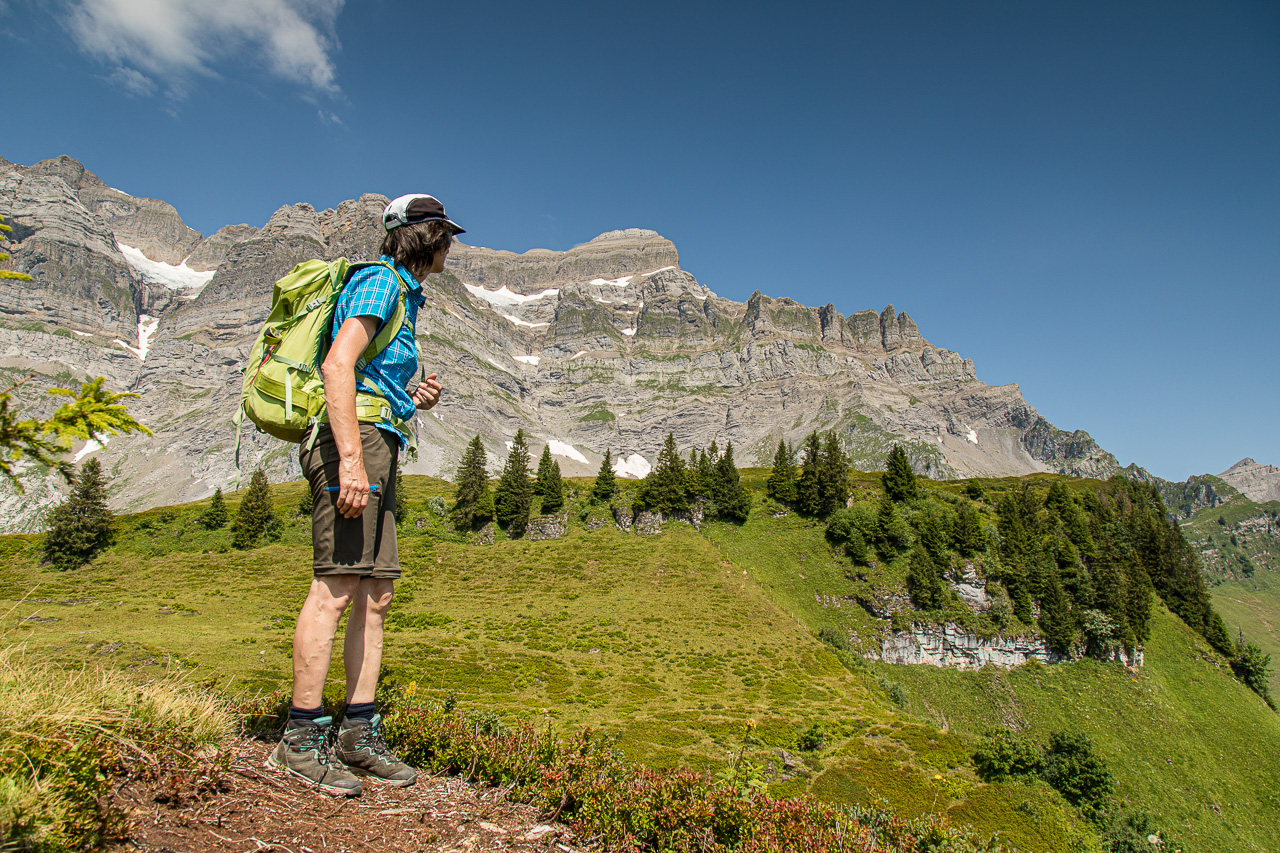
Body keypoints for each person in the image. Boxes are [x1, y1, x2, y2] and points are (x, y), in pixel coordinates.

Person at [267, 194, 462, 796]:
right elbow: (337, 366)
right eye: (445, 234)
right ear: (424, 236)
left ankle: (358, 732)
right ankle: (300, 738)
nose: (451, 245)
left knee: (376, 593)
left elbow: (369, 376)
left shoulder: (403, 293)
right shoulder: (379, 282)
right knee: (337, 586)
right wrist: (351, 462)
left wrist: (411, 399)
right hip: (354, 443)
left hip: (380, 436)